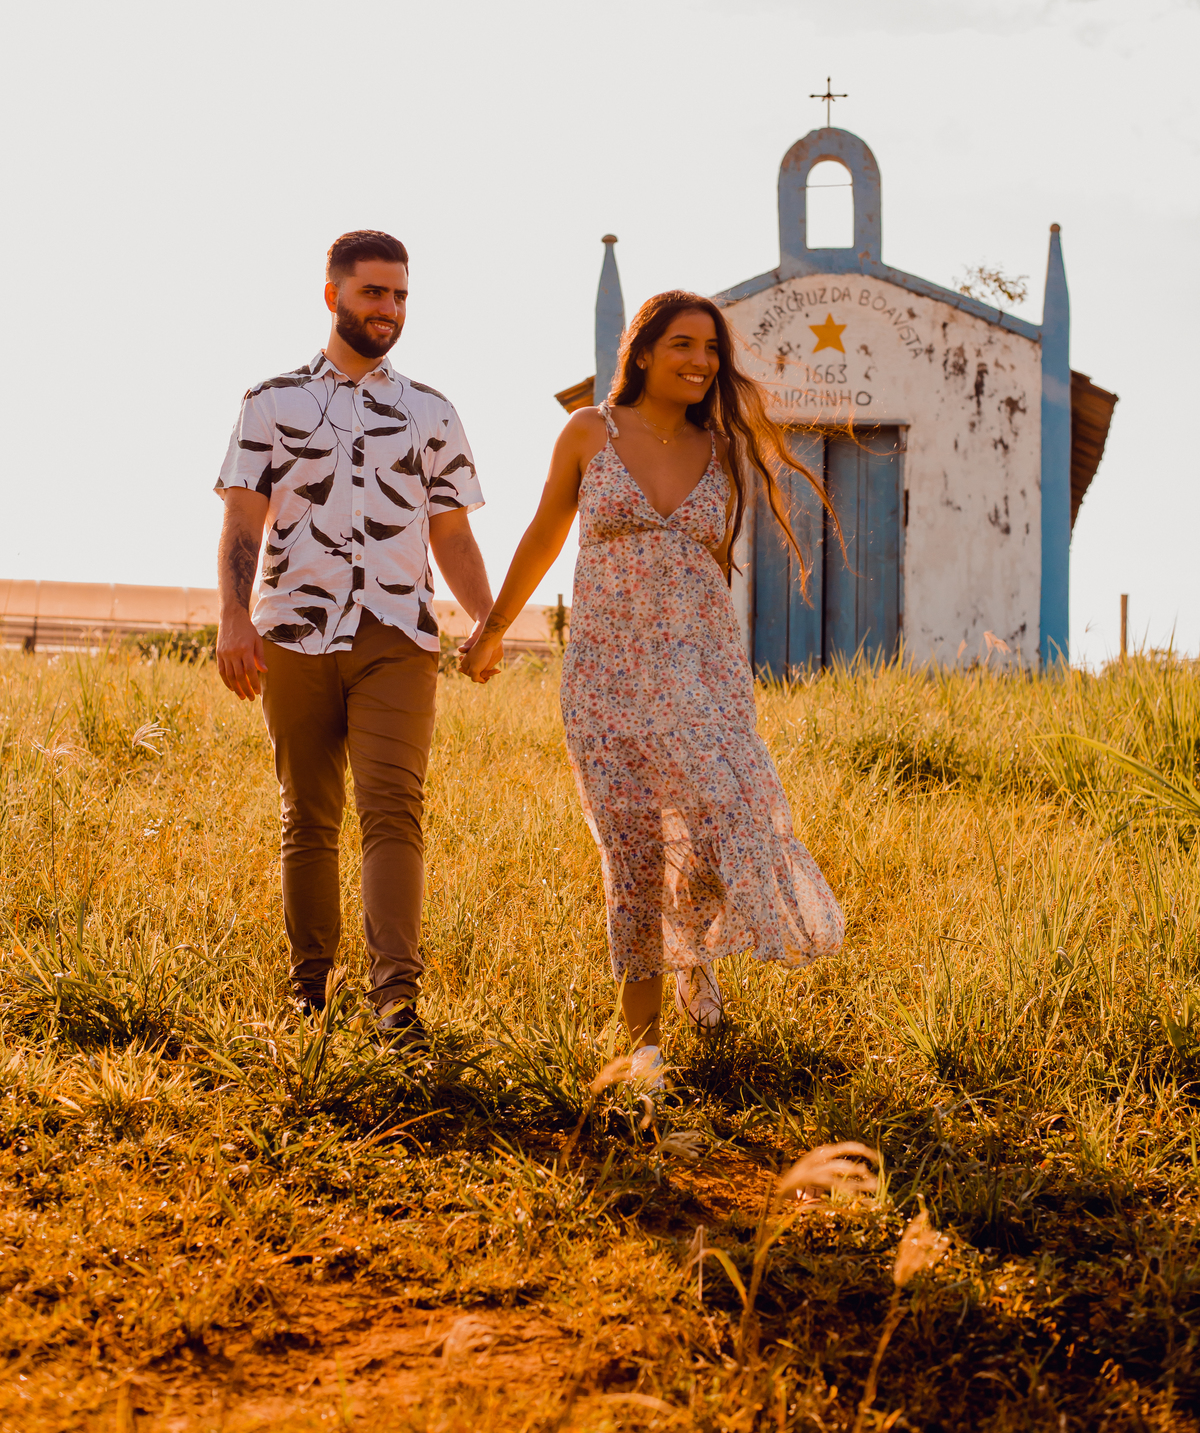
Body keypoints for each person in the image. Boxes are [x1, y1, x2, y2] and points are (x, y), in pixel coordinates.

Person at [460, 291, 844, 1089]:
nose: (701, 361)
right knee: (632, 852)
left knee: (725, 818)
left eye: (712, 349)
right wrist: (493, 627)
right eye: (683, 345)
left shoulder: (721, 448)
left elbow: (711, 573)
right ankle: (644, 1051)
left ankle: (694, 952)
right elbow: (544, 533)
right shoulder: (589, 433)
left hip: (703, 677)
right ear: (641, 352)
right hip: (605, 680)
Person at [215, 229, 492, 1044]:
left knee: (394, 810)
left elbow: (453, 535)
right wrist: (234, 616)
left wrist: (486, 618)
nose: (389, 309)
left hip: (398, 636)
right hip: (292, 633)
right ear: (333, 294)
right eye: (374, 292)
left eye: (400, 295)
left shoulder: (432, 411)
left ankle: (395, 1002)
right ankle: (310, 993)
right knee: (308, 816)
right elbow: (243, 521)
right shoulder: (270, 402)